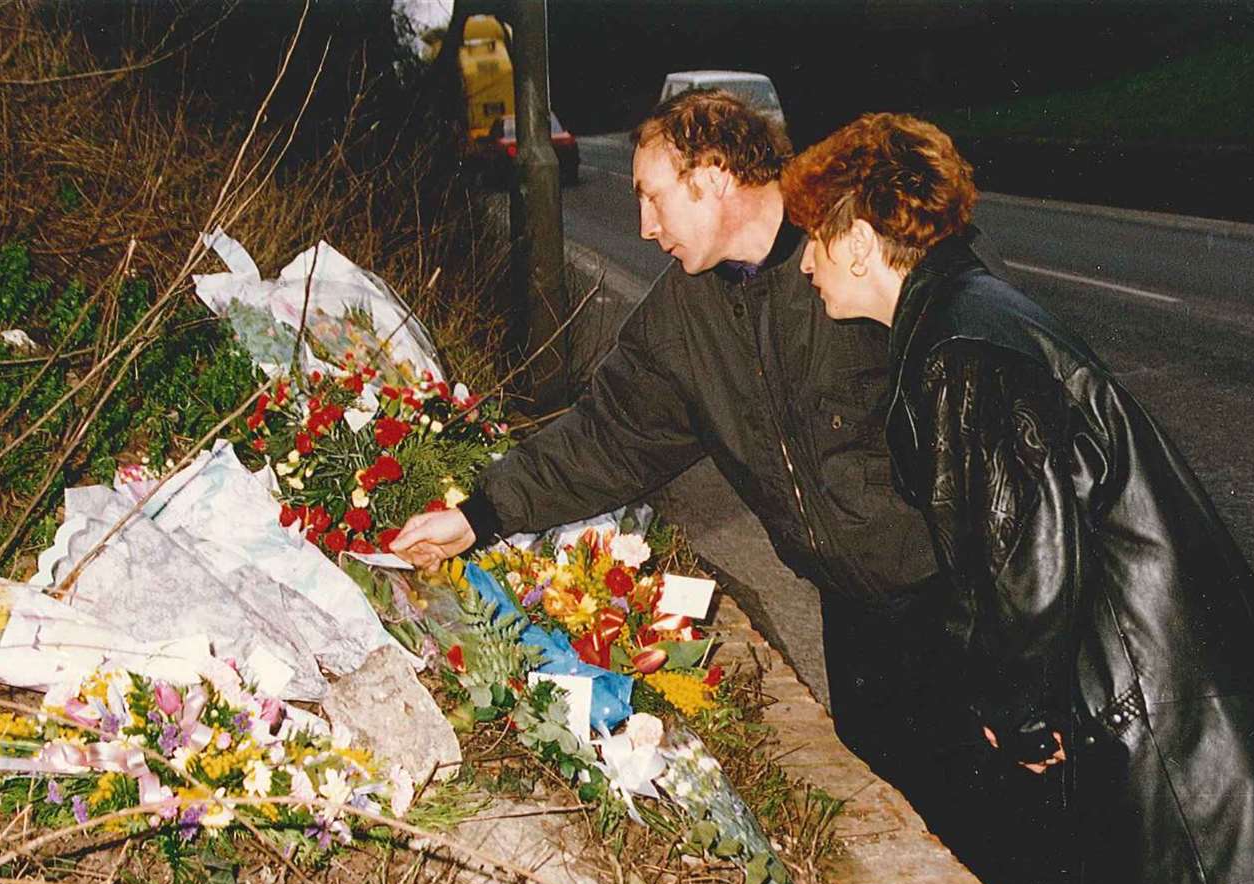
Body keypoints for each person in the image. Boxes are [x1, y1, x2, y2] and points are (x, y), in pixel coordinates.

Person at [779, 111, 1254, 884]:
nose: (804, 265)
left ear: (856, 240)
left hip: (1159, 751)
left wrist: (1012, 722)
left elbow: (1028, 571)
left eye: (813, 239)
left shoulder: (961, 350)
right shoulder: (969, 316)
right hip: (1163, 723)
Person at [392, 89, 991, 829]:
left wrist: (1010, 627)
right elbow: (606, 437)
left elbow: (979, 424)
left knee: (1002, 817)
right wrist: (477, 515)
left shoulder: (853, 256)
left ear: (712, 178)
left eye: (653, 197)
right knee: (911, 812)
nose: (645, 227)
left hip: (959, 602)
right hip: (854, 614)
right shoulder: (685, 315)